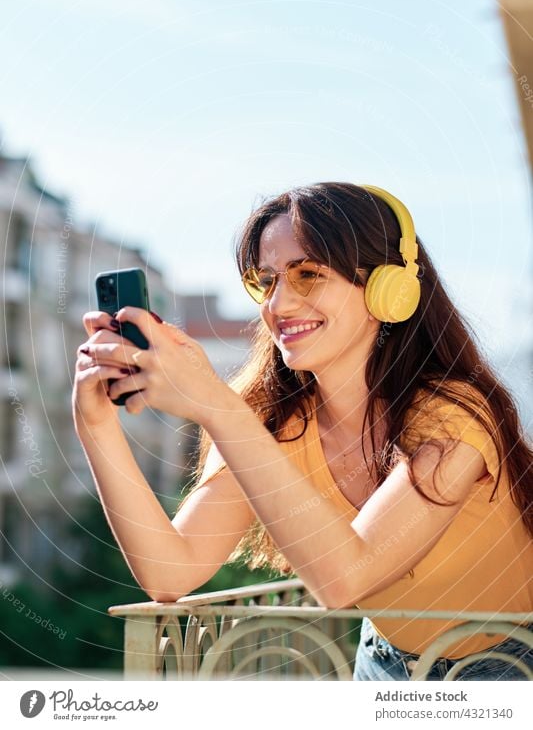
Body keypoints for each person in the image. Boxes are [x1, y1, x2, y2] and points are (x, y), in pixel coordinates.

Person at [72, 182, 533, 681]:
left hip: (512, 662)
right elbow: (169, 571)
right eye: (266, 282)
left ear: (390, 289)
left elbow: (344, 580)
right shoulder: (273, 420)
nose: (278, 304)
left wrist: (215, 406)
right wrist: (95, 424)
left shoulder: (454, 415)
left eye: (308, 275)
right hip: (386, 659)